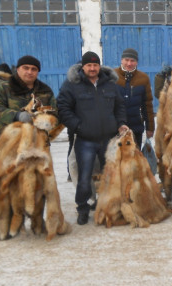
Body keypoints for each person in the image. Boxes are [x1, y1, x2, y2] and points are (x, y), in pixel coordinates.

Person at [57, 51, 129, 225]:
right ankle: (82, 208)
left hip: (109, 140)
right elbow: (63, 108)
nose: (92, 68)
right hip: (85, 139)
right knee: (84, 177)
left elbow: (119, 106)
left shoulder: (110, 84)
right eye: (89, 65)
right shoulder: (72, 85)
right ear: (83, 66)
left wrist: (120, 123)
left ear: (99, 66)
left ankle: (106, 205)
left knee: (109, 175)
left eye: (95, 65)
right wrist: (78, 127)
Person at [0, 56, 56, 132]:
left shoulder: (45, 90)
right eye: (26, 68)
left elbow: (54, 112)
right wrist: (17, 116)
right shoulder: (4, 88)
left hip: (38, 139)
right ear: (18, 69)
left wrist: (47, 120)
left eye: (34, 69)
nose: (30, 72)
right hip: (11, 139)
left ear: (38, 72)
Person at [114, 48, 154, 149]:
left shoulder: (143, 78)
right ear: (121, 60)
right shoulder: (112, 76)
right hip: (115, 129)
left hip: (135, 128)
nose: (129, 63)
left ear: (136, 62)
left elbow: (147, 104)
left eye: (132, 61)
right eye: (126, 60)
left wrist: (150, 128)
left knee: (134, 161)